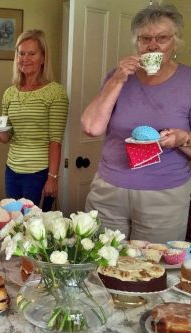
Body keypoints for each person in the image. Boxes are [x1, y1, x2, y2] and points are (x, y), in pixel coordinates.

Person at [82, 4, 191, 243]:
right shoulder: (117, 76)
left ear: (175, 41)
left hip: (164, 196)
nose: (153, 45)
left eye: (162, 38)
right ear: (137, 42)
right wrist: (118, 79)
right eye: (145, 39)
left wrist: (183, 139)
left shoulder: (188, 81)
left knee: (152, 270)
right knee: (101, 263)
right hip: (109, 190)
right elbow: (91, 127)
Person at [0, 29, 68, 211]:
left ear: (43, 58)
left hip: (38, 173)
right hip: (12, 170)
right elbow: (8, 137)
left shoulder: (55, 93)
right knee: (14, 221)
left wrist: (52, 178)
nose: (25, 58)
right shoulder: (10, 93)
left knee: (33, 227)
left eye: (32, 53)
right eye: (21, 53)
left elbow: (55, 140)